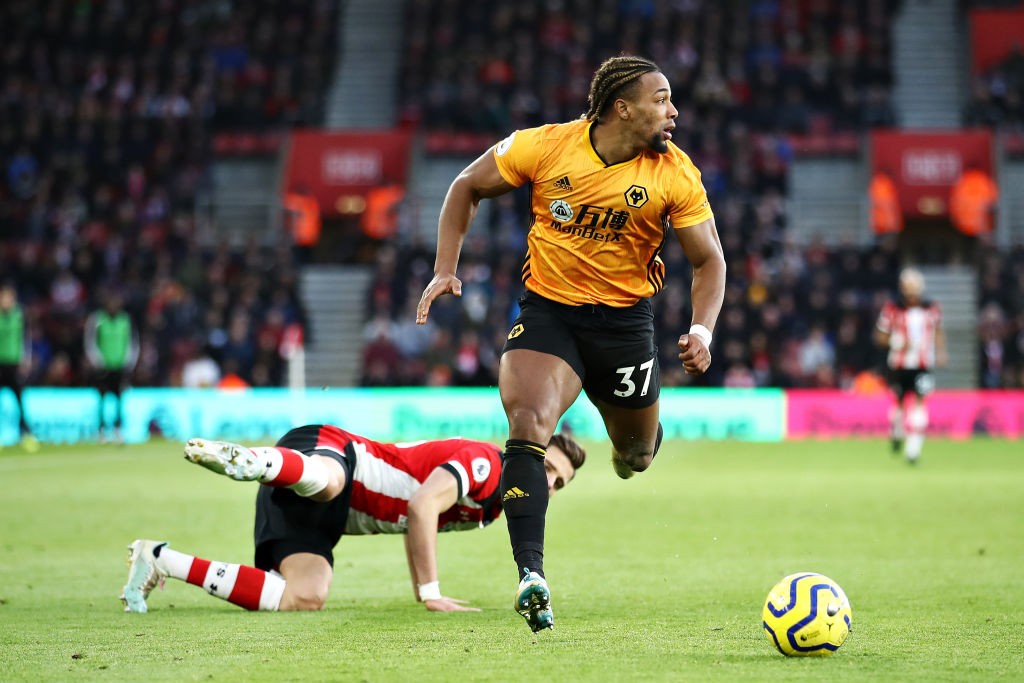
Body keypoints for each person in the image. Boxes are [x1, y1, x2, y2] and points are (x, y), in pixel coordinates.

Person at [415, 55, 726, 631]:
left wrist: (701, 329)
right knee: (528, 421)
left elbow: (708, 260)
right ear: (621, 108)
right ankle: (530, 574)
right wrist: (444, 267)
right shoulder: (545, 146)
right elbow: (466, 186)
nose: (673, 111)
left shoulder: (674, 173)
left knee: (636, 456)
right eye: (661, 100)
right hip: (549, 314)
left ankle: (628, 435)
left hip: (625, 325)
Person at [120, 426, 585, 614]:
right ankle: (254, 460)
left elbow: (418, 515)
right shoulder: (488, 465)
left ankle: (159, 559)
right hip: (334, 455)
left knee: (306, 596)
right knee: (329, 480)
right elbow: (422, 506)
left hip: (325, 519)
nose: (549, 485)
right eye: (546, 469)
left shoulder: (499, 506)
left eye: (558, 483)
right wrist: (430, 593)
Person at [874, 268, 947, 463]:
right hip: (899, 365)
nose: (913, 291)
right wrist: (898, 343)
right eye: (909, 286)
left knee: (920, 401)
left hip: (922, 365)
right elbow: (880, 337)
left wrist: (940, 352)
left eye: (915, 286)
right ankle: (897, 432)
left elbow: (938, 330)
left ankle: (913, 450)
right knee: (898, 403)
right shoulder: (892, 309)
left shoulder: (932, 308)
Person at [83, 292, 138, 443]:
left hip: (120, 366)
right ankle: (101, 430)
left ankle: (118, 430)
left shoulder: (126, 320)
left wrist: (129, 363)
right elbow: (90, 341)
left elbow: (132, 343)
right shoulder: (97, 319)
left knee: (120, 399)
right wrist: (97, 362)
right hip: (102, 367)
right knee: (101, 398)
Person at [0, 284, 40, 451]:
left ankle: (26, 433)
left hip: (14, 364)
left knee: (19, 400)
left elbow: (25, 339)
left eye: (8, 297)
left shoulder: (19, 315)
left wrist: (25, 359)